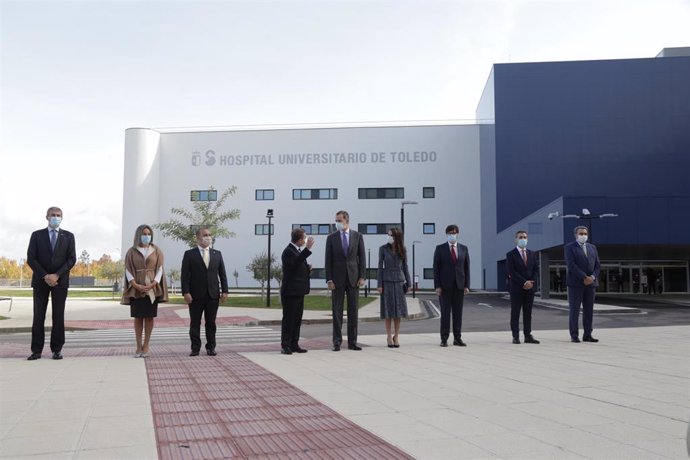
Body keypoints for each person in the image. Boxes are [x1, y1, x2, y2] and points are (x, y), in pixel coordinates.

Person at [26, 207, 76, 360]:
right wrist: (45, 276)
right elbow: (31, 258)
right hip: (41, 281)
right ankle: (36, 350)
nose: (55, 218)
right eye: (53, 215)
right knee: (38, 316)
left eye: (58, 215)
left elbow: (71, 259)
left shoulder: (68, 236)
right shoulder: (37, 235)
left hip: (60, 282)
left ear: (62, 218)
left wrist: (56, 275)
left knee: (58, 316)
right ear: (46, 217)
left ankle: (57, 349)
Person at [121, 224, 168, 358]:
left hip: (152, 288)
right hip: (136, 289)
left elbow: (159, 268)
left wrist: (154, 283)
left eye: (148, 234)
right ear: (138, 235)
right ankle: (138, 346)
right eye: (144, 234)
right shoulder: (131, 251)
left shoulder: (156, 250)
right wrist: (135, 284)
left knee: (149, 317)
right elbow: (128, 269)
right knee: (138, 317)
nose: (146, 236)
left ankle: (146, 345)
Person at [181, 227, 229, 356]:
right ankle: (195, 348)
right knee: (195, 322)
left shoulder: (217, 254)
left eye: (209, 235)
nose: (208, 237)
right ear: (198, 238)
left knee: (211, 322)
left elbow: (222, 274)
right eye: (205, 235)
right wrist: (186, 292)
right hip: (195, 295)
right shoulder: (189, 254)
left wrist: (225, 291)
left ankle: (211, 347)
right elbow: (184, 275)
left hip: (213, 294)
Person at [325, 210, 366, 351]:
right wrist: (329, 279)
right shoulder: (331, 238)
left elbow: (362, 258)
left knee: (353, 311)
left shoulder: (358, 236)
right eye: (336, 220)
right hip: (337, 280)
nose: (337, 223)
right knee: (337, 311)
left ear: (346, 221)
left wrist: (362, 276)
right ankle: (337, 342)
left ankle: (352, 342)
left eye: (339, 220)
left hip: (354, 278)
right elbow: (328, 260)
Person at [433, 224, 470, 347]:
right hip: (444, 286)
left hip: (459, 285)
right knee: (445, 313)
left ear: (457, 233)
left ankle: (457, 338)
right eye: (450, 233)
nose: (452, 235)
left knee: (458, 313)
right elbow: (436, 269)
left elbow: (466, 268)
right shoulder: (440, 248)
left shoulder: (464, 249)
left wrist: (467, 285)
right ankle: (444, 338)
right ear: (446, 234)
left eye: (454, 232)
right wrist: (437, 285)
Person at [280, 228, 314, 355]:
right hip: (290, 292)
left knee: (297, 319)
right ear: (299, 239)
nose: (305, 240)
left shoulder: (297, 251)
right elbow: (293, 264)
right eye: (304, 238)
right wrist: (308, 249)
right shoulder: (288, 251)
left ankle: (294, 344)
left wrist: (307, 268)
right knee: (289, 319)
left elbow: (298, 266)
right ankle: (286, 345)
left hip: (299, 291)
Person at [565, 226, 601, 343]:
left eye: (585, 233)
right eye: (581, 234)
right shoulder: (570, 247)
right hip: (576, 284)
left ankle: (588, 334)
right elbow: (571, 265)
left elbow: (597, 265)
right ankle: (574, 335)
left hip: (591, 284)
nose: (583, 236)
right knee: (574, 310)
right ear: (576, 235)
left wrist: (592, 277)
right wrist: (584, 277)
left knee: (588, 310)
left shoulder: (592, 247)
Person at [377, 227, 411, 348]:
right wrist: (379, 284)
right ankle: (388, 336)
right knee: (388, 310)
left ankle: (396, 336)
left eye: (391, 235)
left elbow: (405, 267)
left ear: (397, 237)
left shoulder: (403, 249)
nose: (389, 237)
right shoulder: (383, 249)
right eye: (388, 235)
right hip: (386, 281)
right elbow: (380, 267)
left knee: (398, 311)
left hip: (399, 281)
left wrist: (409, 283)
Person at [505, 230, 540, 344]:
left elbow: (535, 270)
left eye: (525, 237)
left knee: (528, 313)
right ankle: (515, 336)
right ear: (516, 239)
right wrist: (524, 282)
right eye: (520, 237)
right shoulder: (510, 254)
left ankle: (527, 335)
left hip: (530, 289)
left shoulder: (532, 253)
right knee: (515, 313)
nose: (523, 239)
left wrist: (531, 282)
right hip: (516, 288)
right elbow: (512, 272)